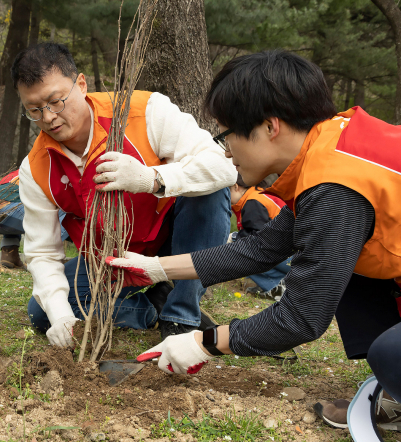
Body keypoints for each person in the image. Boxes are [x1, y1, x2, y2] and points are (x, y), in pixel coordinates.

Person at [106, 50, 401, 439]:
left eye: (227, 135)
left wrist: (203, 343)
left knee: (390, 355)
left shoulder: (334, 187)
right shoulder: (331, 148)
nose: (226, 151)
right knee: (351, 267)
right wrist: (156, 268)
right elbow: (261, 249)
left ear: (269, 127)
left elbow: (301, 318)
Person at [16, 42, 236, 347]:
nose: (49, 117)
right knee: (42, 312)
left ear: (81, 84)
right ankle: (155, 306)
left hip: (173, 242)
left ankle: (181, 317)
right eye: (34, 110)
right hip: (111, 262)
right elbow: (42, 253)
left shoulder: (145, 112)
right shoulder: (36, 167)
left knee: (210, 193)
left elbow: (222, 167)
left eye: (56, 102)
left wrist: (152, 179)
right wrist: (63, 318)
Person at [229, 174, 290, 299]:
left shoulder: (253, 201)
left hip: (292, 257)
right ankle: (280, 284)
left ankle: (276, 287)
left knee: (242, 250)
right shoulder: (259, 195)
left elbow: (258, 238)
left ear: (235, 186)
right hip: (295, 255)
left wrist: (233, 238)